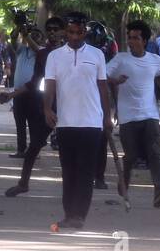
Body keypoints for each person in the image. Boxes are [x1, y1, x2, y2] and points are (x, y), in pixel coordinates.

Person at [42, 12, 113, 231]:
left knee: (86, 171)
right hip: (65, 122)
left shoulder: (97, 55)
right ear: (66, 31)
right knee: (68, 170)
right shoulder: (54, 57)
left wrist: (107, 116)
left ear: (85, 32)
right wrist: (47, 108)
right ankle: (68, 213)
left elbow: (103, 87)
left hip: (91, 122)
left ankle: (80, 215)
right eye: (71, 32)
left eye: (79, 32)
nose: (75, 36)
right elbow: (50, 85)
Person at [108, 20, 160, 207]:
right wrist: (115, 80)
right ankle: (124, 180)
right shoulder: (120, 59)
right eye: (129, 38)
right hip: (128, 117)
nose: (131, 41)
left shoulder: (155, 59)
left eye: (135, 38)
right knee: (131, 156)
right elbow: (103, 75)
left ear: (145, 40)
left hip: (150, 115)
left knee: (154, 153)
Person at [2, 16, 65, 198]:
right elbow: (34, 82)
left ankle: (76, 187)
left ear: (63, 32)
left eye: (56, 29)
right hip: (50, 106)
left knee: (70, 149)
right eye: (50, 29)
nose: (52, 32)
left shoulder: (74, 53)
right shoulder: (43, 54)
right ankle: (23, 183)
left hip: (72, 107)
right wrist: (11, 95)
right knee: (34, 146)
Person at [8, 22, 42, 157]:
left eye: (38, 35)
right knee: (20, 123)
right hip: (18, 92)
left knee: (34, 124)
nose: (34, 37)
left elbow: (35, 46)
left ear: (42, 39)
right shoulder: (22, 49)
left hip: (34, 93)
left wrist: (26, 34)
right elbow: (13, 39)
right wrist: (18, 27)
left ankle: (34, 151)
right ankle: (21, 150)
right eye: (33, 34)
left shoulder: (41, 50)